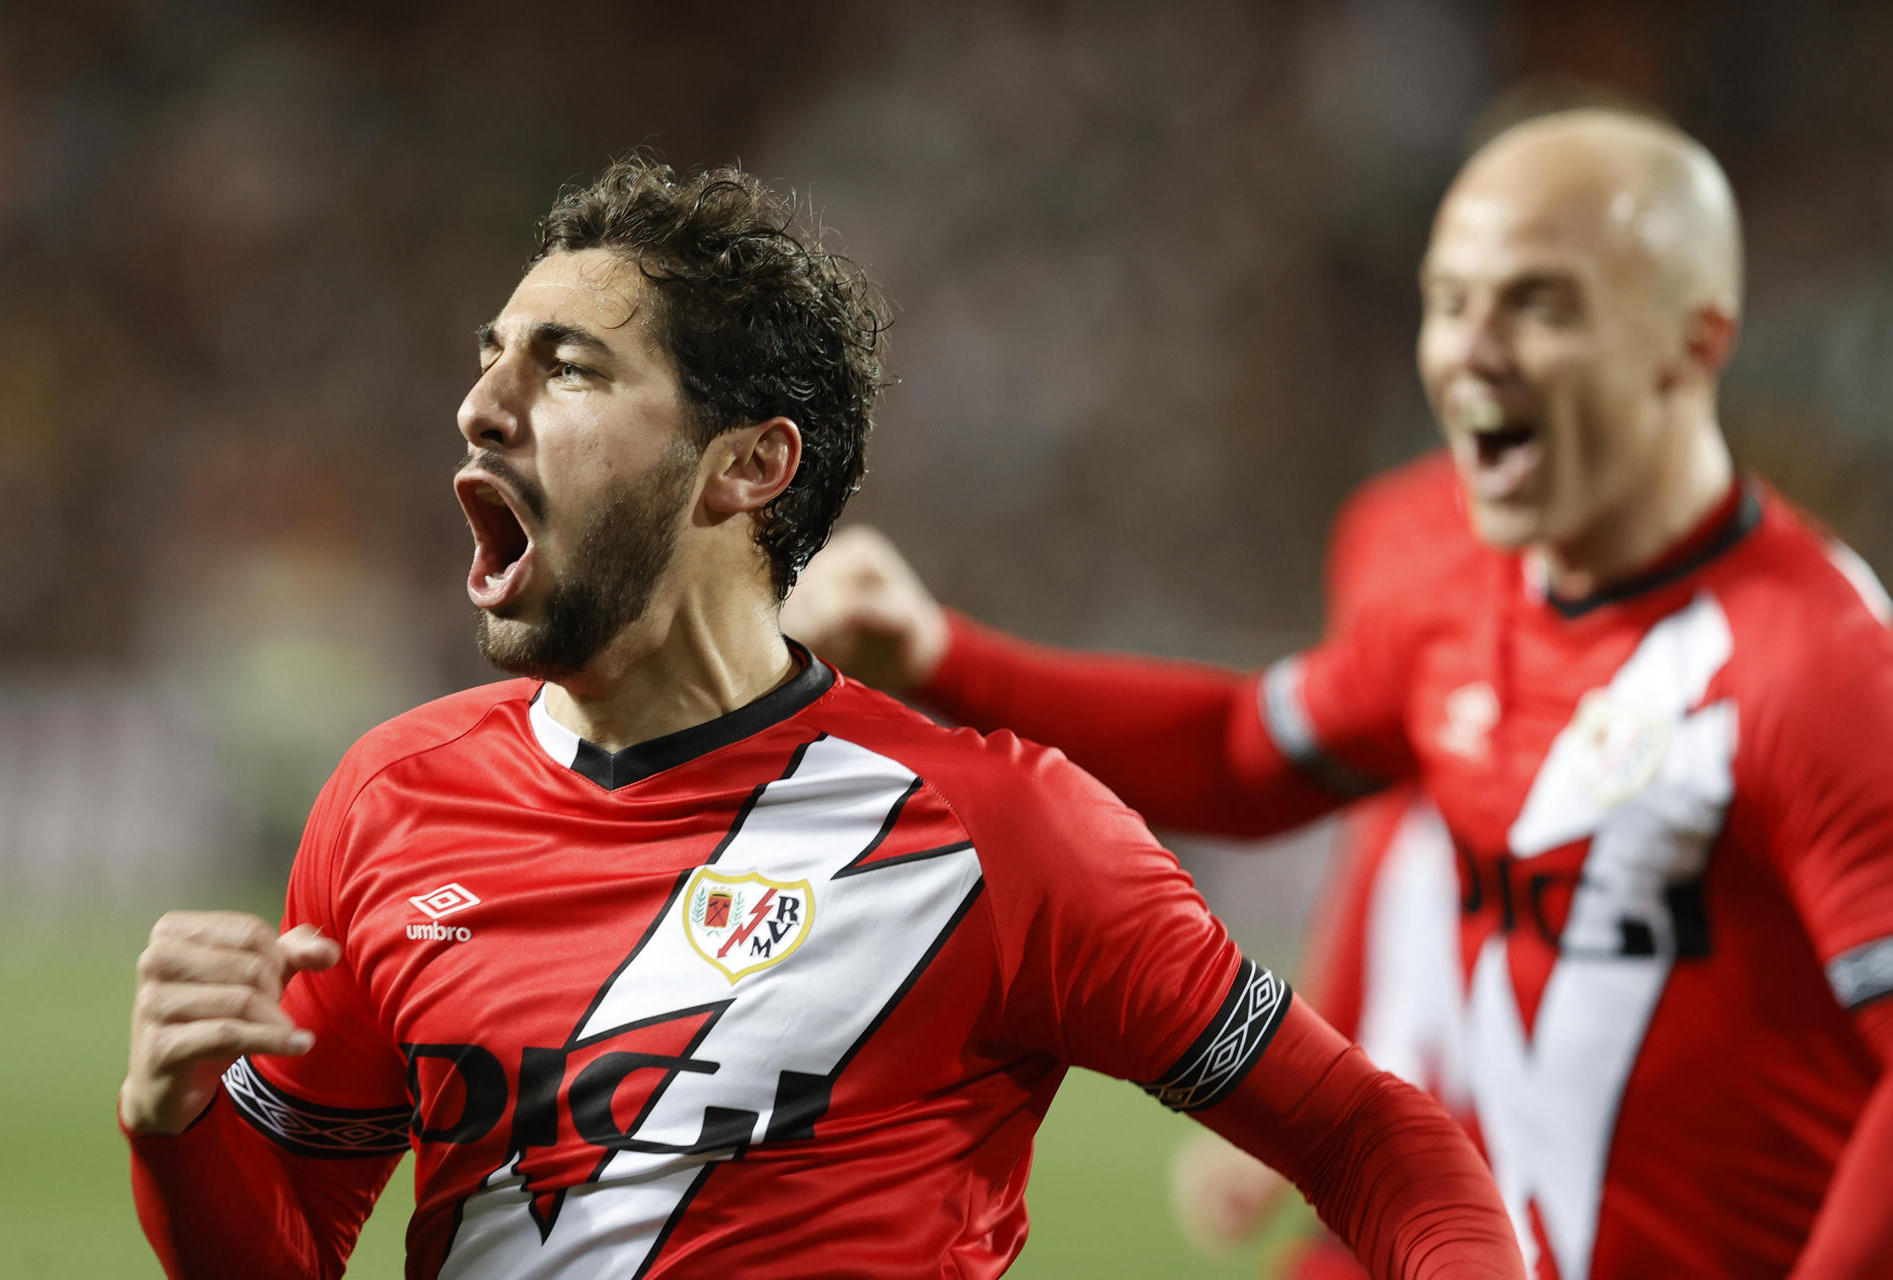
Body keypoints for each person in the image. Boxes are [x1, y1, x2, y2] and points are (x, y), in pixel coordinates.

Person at [117, 157, 1523, 1280]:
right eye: (492, 357)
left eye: (568, 367)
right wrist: (177, 1136)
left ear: (747, 467)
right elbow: (278, 1256)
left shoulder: (997, 833)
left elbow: (1371, 1139)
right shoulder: (392, 801)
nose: (483, 404)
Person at [786, 110, 1893, 1279]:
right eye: (1451, 300)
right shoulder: (1457, 597)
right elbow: (1239, 752)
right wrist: (944, 657)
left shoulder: (1815, 663)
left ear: (1694, 344)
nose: (1472, 348)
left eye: (1542, 305)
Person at [1167, 452, 1474, 1277]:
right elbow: (1378, 861)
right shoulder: (1392, 527)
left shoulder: (1743, 601)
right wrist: (1295, 1112)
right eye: (1455, 310)